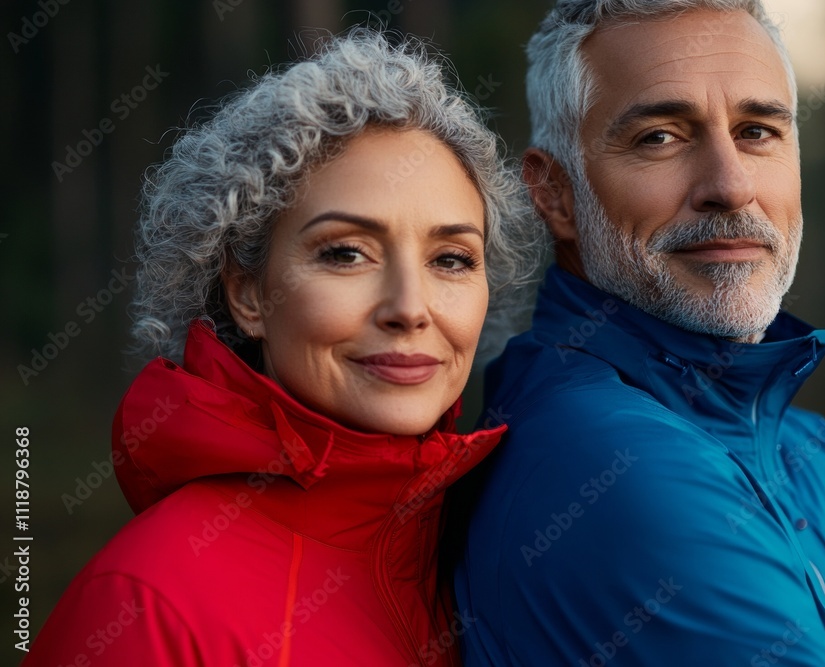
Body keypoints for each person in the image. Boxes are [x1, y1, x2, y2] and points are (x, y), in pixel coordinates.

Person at [455, 1, 825, 665]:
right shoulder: (599, 464)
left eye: (757, 131)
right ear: (554, 194)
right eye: (660, 137)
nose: (731, 185)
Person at [24, 28, 541, 667]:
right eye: (346, 253)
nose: (410, 308)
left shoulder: (509, 557)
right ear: (247, 293)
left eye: (451, 259)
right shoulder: (145, 607)